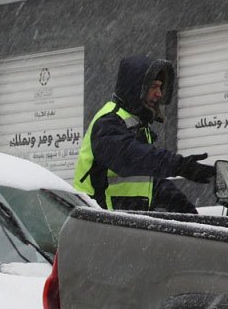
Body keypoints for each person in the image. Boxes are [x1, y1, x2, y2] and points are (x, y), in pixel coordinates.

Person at [74, 55, 214, 212]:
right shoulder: (108, 123)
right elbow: (134, 158)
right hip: (96, 224)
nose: (159, 94)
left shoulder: (138, 125)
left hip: (124, 226)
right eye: (153, 86)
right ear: (136, 87)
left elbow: (148, 182)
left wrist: (188, 212)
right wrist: (181, 166)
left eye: (161, 87)